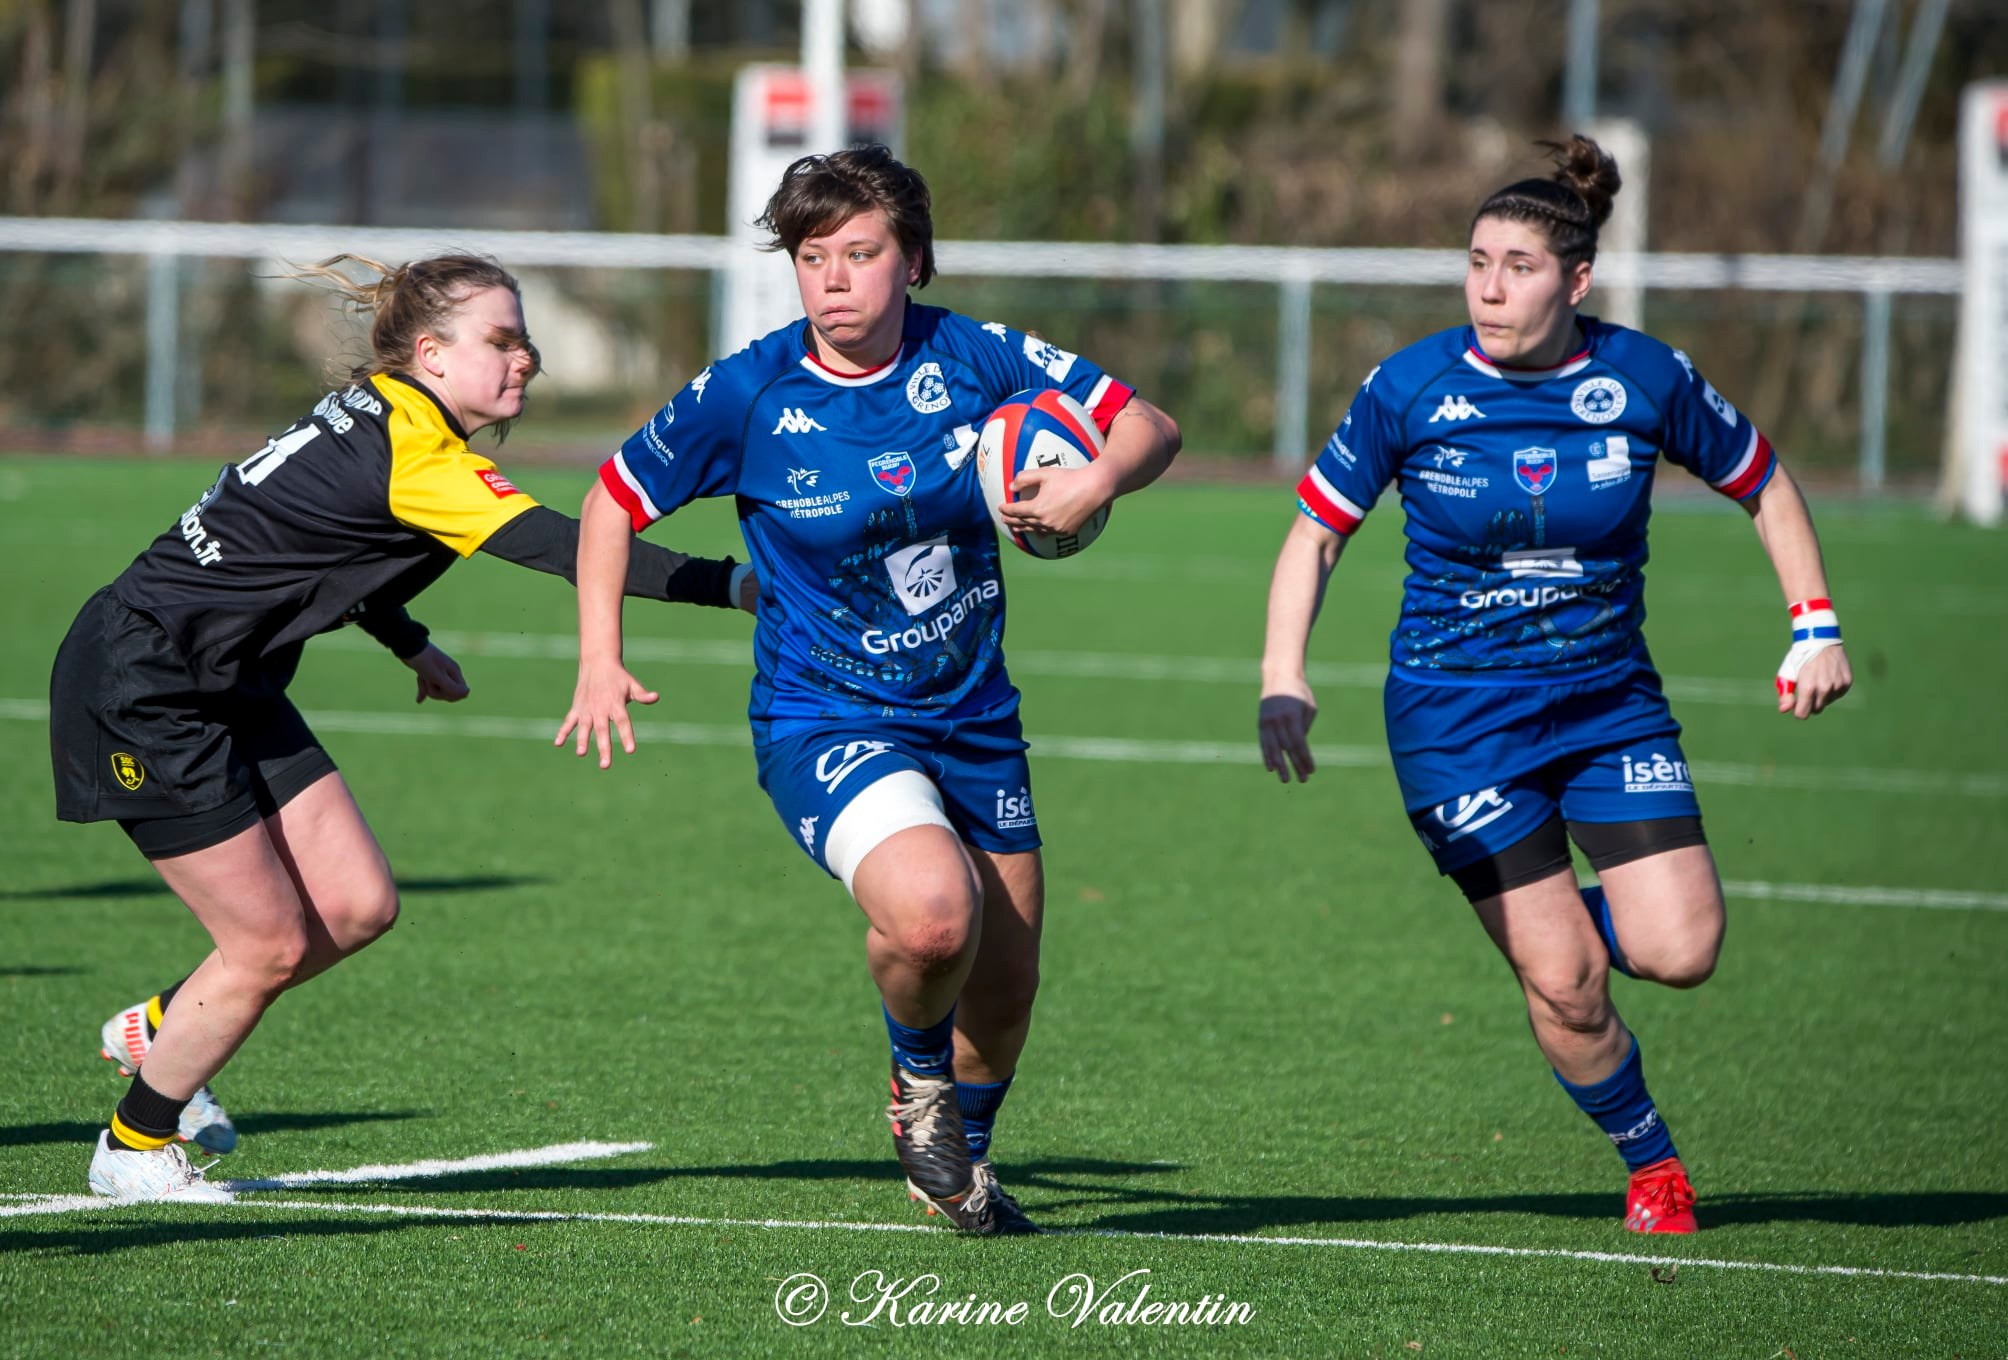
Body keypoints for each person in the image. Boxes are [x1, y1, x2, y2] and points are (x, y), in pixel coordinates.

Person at [560, 145, 1180, 1234]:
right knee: (937, 920)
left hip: (974, 715)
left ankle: (959, 1163)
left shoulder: (975, 355)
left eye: (860, 252)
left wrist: (1093, 478)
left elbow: (1148, 425)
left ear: (914, 261)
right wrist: (598, 656)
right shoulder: (749, 390)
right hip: (826, 716)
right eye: (812, 256)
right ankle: (916, 1085)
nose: (834, 277)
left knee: (1007, 980)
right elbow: (611, 500)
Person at [55, 253, 753, 1201]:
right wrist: (739, 585)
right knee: (265, 947)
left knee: (355, 905)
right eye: (501, 342)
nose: (525, 361)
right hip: (144, 683)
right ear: (430, 353)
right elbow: (576, 542)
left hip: (225, 677)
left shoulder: (385, 414)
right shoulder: (420, 455)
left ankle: (162, 1025)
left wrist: (407, 639)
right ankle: (133, 1146)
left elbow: (318, 540)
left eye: (527, 342)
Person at [1258, 137, 1850, 1234]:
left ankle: (1550, 928)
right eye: (1476, 262)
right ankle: (1652, 1159)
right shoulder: (1412, 386)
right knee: (1571, 987)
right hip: (1455, 722)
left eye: (1518, 267)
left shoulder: (1644, 377)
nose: (1489, 288)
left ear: (1576, 280)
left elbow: (1761, 482)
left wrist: (1812, 626)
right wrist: (1280, 676)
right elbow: (1314, 533)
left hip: (1604, 703)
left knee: (1681, 949)